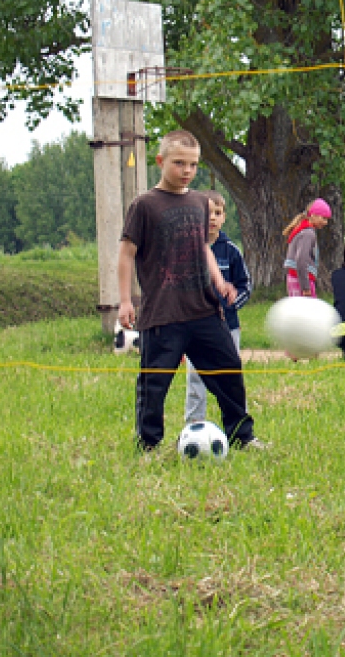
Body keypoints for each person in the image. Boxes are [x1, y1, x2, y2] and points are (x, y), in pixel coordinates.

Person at [117, 130, 260, 451]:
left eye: (193, 165)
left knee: (229, 373)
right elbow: (126, 253)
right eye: (179, 163)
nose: (187, 171)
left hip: (204, 311)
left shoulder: (199, 202)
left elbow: (203, 247)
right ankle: (149, 444)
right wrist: (126, 301)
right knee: (154, 384)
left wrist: (219, 281)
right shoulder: (144, 205)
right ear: (160, 161)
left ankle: (242, 436)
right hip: (163, 315)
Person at [185, 190, 252, 424]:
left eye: (218, 213)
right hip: (196, 327)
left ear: (224, 217)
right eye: (207, 212)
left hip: (228, 327)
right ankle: (194, 423)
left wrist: (233, 303)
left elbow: (246, 285)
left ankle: (238, 425)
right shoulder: (189, 251)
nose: (212, 218)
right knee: (195, 378)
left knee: (231, 376)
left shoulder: (231, 251)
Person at [283, 198, 331, 297]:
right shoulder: (308, 233)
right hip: (301, 281)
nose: (326, 222)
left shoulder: (301, 230)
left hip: (294, 278)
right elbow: (301, 259)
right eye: (324, 218)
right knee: (308, 311)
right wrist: (305, 287)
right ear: (313, 215)